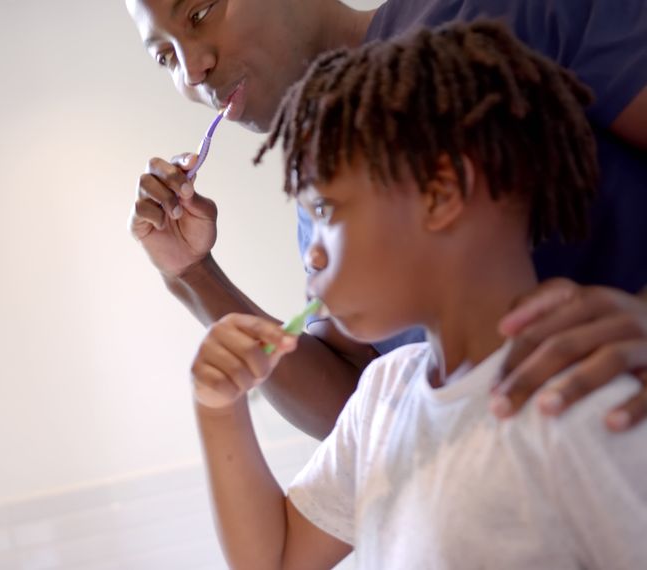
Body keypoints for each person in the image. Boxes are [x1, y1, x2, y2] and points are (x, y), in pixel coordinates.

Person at [190, 21, 647, 568]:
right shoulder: (383, 397)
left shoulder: (578, 399)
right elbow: (275, 558)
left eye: (325, 211)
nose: (311, 253)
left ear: (441, 193)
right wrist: (218, 408)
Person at [126, 0, 647, 439]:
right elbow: (360, 413)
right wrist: (192, 273)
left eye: (199, 12)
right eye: (164, 56)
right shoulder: (325, 191)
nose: (191, 71)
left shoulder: (510, 11)